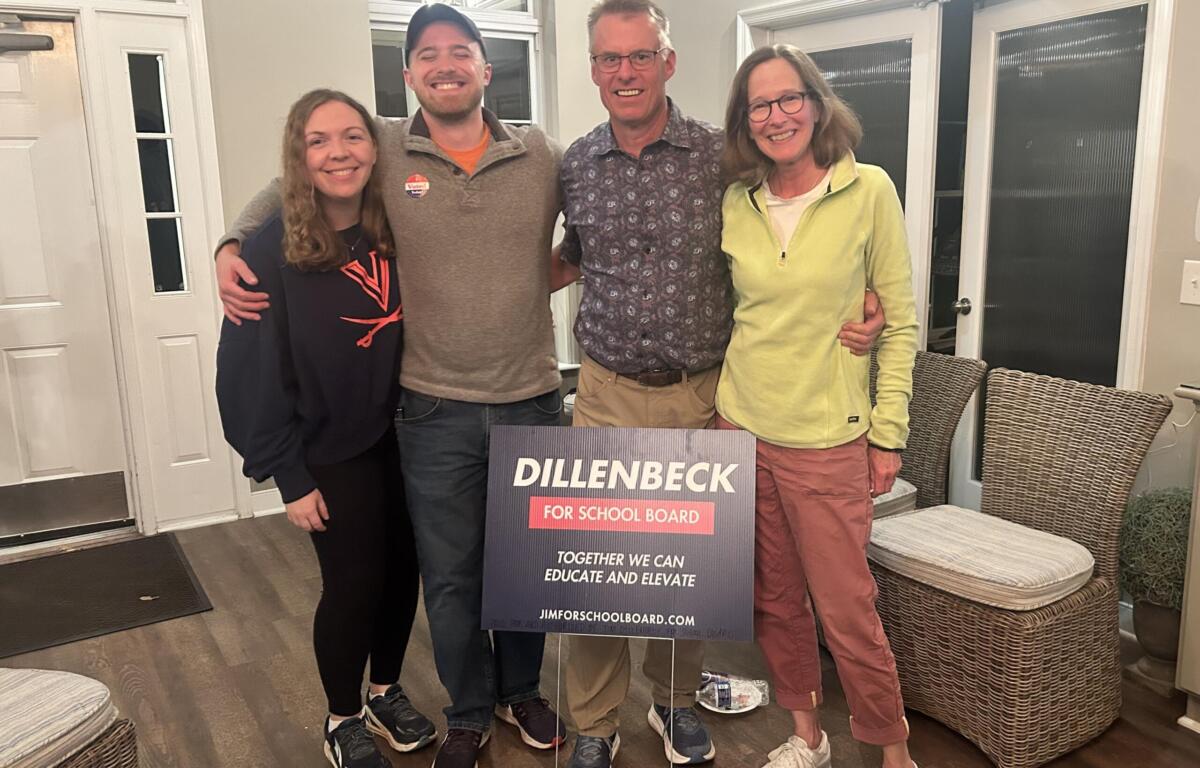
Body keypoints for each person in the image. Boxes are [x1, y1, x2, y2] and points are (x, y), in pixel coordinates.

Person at [214, 6, 567, 767]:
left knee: (524, 569)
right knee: (448, 578)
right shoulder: (381, 140)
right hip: (431, 408)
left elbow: (600, 221)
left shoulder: (541, 154)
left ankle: (520, 692)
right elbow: (294, 180)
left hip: (532, 399)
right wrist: (231, 242)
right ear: (407, 74)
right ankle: (467, 711)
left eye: (461, 53)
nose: (445, 65)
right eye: (428, 55)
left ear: (486, 67)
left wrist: (558, 271)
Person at [552, 3, 886, 767]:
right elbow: (567, 255)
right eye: (610, 59)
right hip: (603, 391)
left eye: (641, 56)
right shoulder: (574, 163)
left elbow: (801, 232)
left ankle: (674, 704)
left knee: (685, 567)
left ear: (668, 62)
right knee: (597, 569)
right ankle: (597, 725)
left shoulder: (723, 160)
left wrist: (860, 305)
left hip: (704, 393)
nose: (625, 72)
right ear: (593, 68)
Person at [215, 89, 435, 768]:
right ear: (299, 155)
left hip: (407, 431)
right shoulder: (269, 247)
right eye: (318, 141)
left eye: (351, 137)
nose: (338, 153)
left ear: (377, 146)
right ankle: (342, 718)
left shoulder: (395, 223)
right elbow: (246, 375)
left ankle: (384, 690)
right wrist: (289, 475)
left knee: (405, 573)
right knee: (353, 583)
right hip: (329, 445)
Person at [715, 45, 920, 768]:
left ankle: (893, 751)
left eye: (788, 98)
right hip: (741, 426)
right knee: (772, 601)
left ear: (817, 101)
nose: (776, 116)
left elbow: (896, 322)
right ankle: (807, 734)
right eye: (759, 105)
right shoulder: (735, 202)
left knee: (847, 611)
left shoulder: (868, 191)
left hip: (828, 439)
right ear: (746, 120)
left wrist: (888, 432)